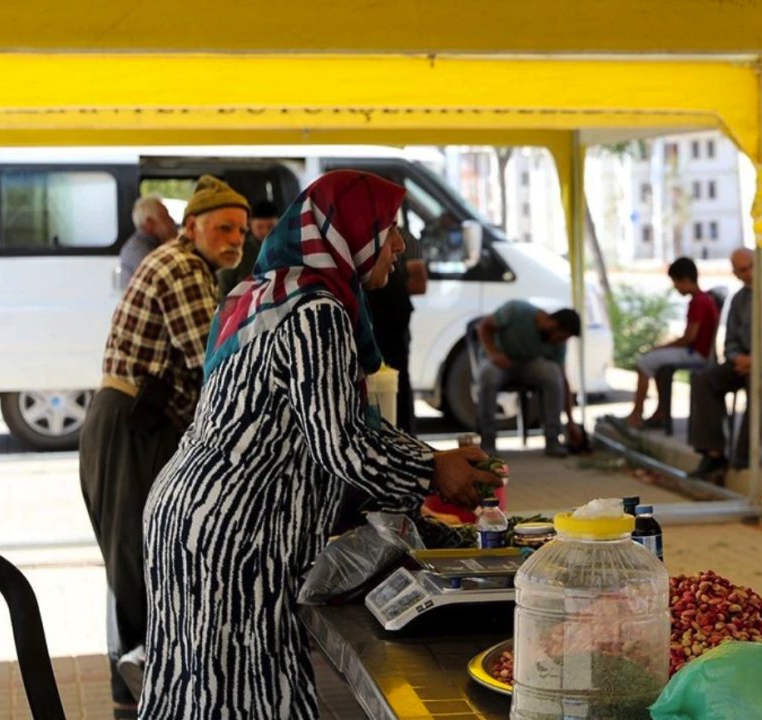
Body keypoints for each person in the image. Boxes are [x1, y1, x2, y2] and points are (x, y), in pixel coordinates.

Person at [139, 171, 501, 719]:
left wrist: (434, 470)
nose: (400, 245)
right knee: (249, 694)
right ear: (347, 232)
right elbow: (345, 446)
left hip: (191, 514)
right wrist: (434, 470)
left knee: (197, 691)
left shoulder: (262, 292)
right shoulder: (317, 311)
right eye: (388, 229)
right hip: (235, 533)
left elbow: (333, 421)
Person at [79, 175, 250, 715]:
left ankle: (141, 691)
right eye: (223, 227)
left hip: (137, 423)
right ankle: (141, 694)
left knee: (138, 559)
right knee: (137, 559)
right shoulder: (181, 266)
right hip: (131, 424)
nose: (234, 239)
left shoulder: (188, 265)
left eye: (241, 230)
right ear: (191, 227)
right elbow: (215, 364)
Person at [687, 248, 762, 479]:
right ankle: (714, 453)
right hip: (744, 360)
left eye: (751, 267)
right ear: (735, 273)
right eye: (742, 270)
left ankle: (744, 455)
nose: (748, 274)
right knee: (704, 380)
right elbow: (730, 343)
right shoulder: (738, 299)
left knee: (758, 381)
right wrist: (738, 358)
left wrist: (761, 357)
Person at [476, 301, 582, 457]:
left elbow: (563, 380)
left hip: (528, 365)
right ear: (552, 323)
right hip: (500, 360)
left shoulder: (559, 343)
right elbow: (484, 326)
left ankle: (553, 439)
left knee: (552, 374)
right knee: (488, 375)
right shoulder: (517, 310)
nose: (559, 342)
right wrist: (493, 353)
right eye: (560, 337)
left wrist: (571, 424)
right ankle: (487, 441)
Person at [624, 257, 720, 428]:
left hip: (697, 353)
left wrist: (662, 347)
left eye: (675, 282)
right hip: (696, 351)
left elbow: (689, 338)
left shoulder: (699, 301)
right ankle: (661, 412)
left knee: (644, 363)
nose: (675, 287)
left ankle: (636, 413)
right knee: (658, 364)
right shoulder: (702, 299)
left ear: (685, 280)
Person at [364, 226, 428, 434]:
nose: (399, 245)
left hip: (393, 314)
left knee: (395, 378)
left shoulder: (408, 239)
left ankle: (403, 435)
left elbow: (420, 283)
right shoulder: (366, 234)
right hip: (374, 312)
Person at [217, 199, 281, 299]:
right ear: (250, 224)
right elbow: (223, 290)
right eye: (259, 227)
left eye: (270, 226)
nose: (265, 232)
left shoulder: (286, 247)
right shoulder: (237, 251)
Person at [118, 196, 178, 288]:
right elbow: (168, 279)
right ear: (149, 223)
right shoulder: (139, 249)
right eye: (165, 217)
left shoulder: (154, 244)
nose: (172, 221)